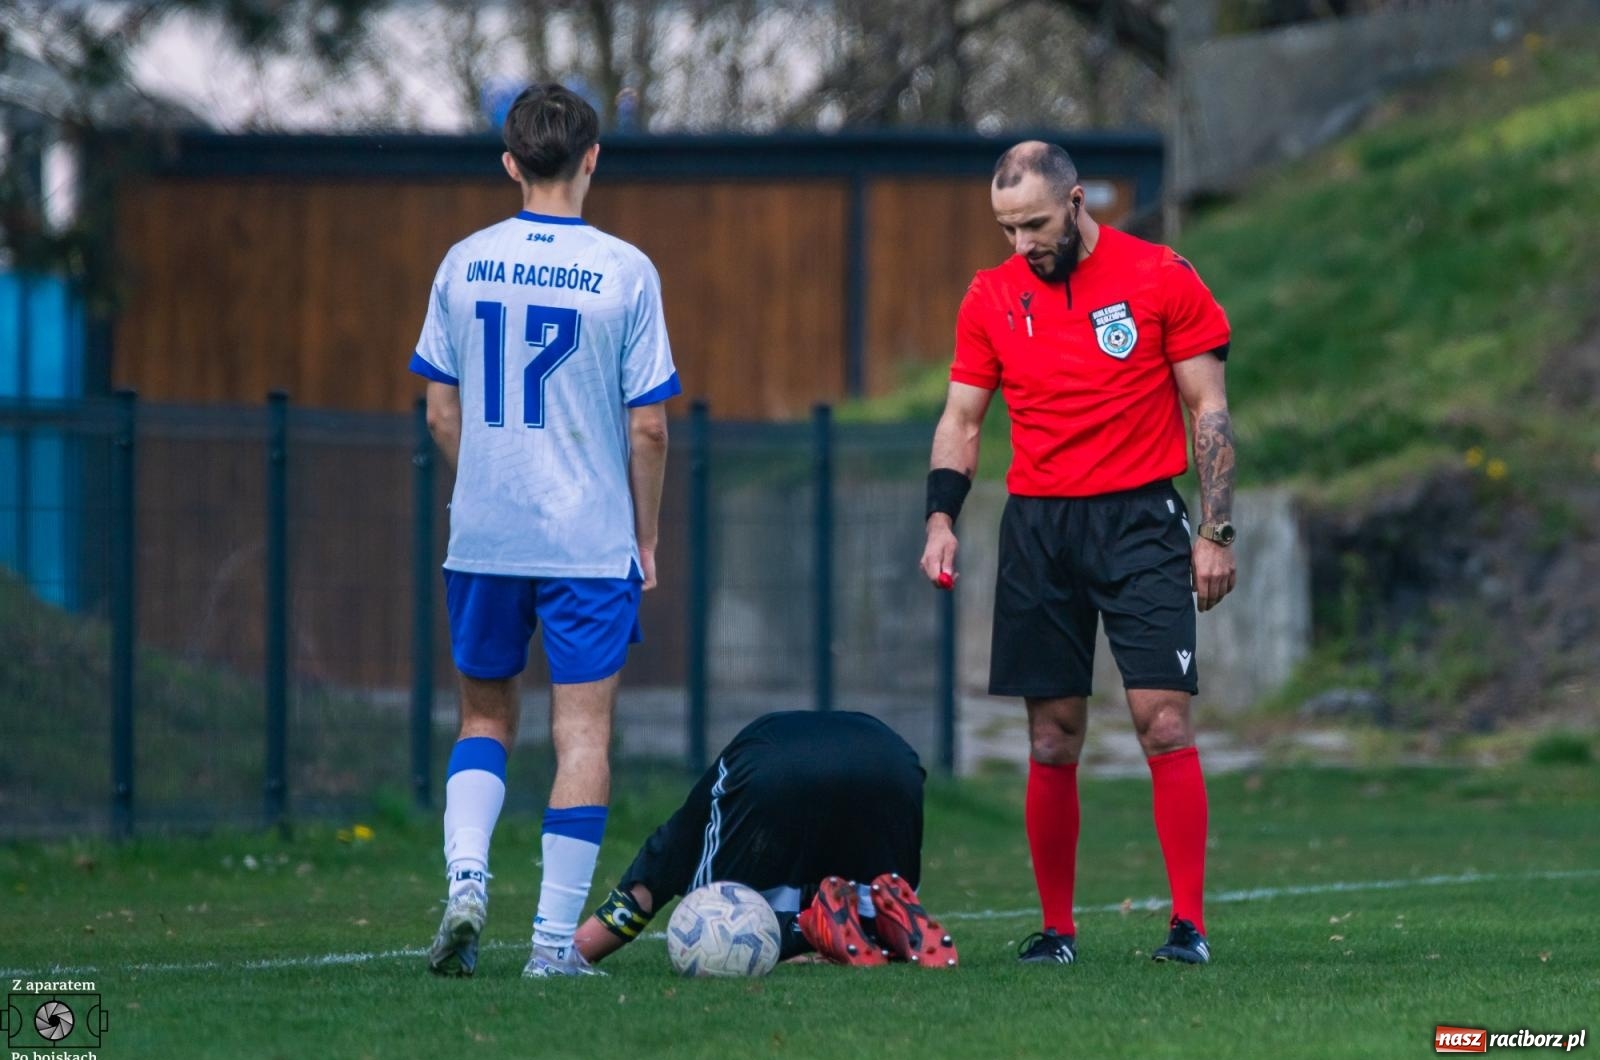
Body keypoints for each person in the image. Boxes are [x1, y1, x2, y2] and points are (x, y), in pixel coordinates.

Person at [918, 141, 1236, 967]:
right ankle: (1057, 930)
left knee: (1161, 719)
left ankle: (1188, 927)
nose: (1022, 244)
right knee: (1053, 735)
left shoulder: (1161, 275)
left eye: (1034, 224)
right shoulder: (990, 296)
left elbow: (1208, 407)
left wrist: (1215, 528)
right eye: (1007, 228)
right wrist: (940, 520)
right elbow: (961, 418)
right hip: (1040, 529)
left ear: (1077, 202)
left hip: (1139, 522)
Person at [409, 83, 680, 979]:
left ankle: (466, 878)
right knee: (583, 735)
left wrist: (483, 488)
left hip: (484, 534)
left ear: (510, 163)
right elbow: (649, 427)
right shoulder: (627, 271)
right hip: (585, 540)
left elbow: (439, 412)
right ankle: (552, 948)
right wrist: (645, 534)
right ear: (594, 158)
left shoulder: (463, 260)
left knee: (484, 714)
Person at [573, 710, 958, 969]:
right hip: (893, 763)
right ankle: (875, 919)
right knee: (869, 891)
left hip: (775, 768)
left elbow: (644, 889)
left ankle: (808, 926)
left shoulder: (700, 814)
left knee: (715, 919)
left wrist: (571, 951)